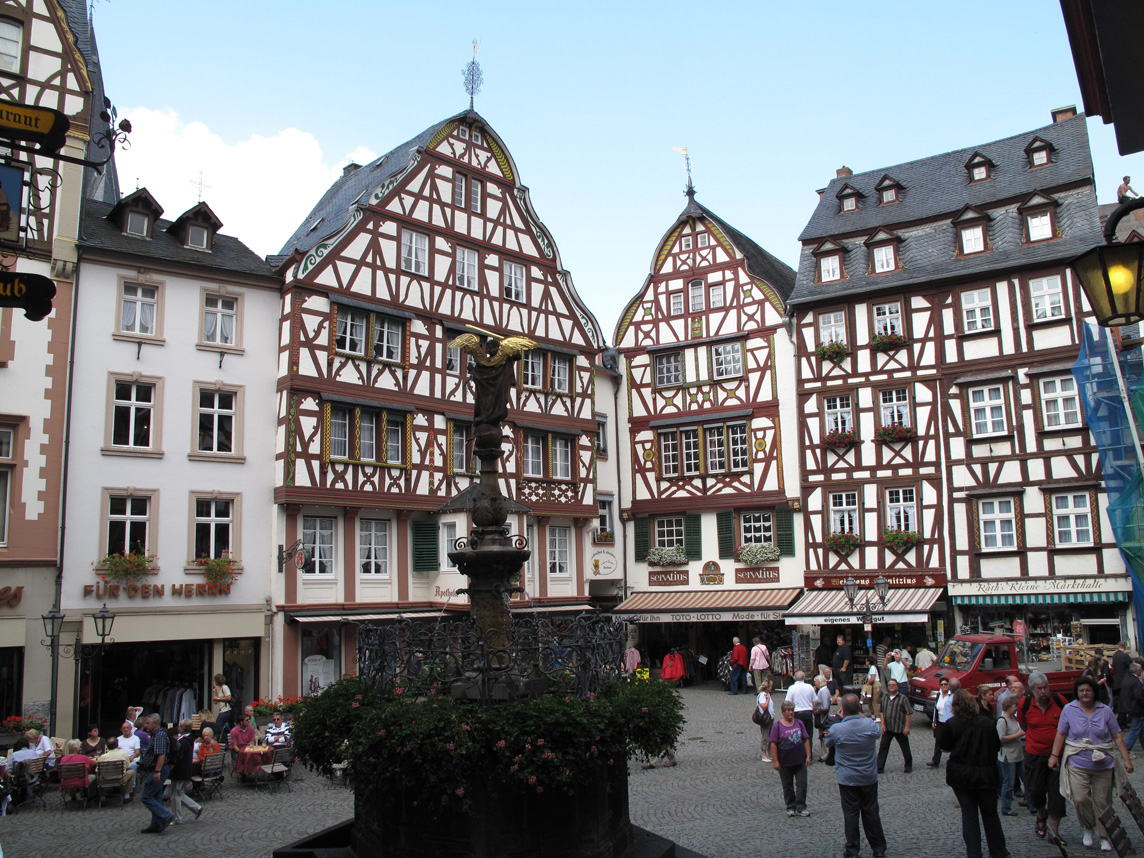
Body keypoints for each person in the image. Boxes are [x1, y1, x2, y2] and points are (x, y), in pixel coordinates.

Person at [1051, 675, 1134, 852]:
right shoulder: (1069, 709)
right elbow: (1061, 733)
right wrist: (1054, 755)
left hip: (1103, 764)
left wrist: (1126, 760)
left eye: (1088, 690)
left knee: (1103, 802)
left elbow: (1117, 736)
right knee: (1080, 798)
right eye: (1081, 691)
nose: (1085, 693)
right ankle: (1088, 826)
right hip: (1077, 762)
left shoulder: (1105, 710)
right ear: (1077, 693)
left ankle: (1104, 836)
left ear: (1094, 692)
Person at [936, 690, 1008, 858]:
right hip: (986, 773)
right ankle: (998, 851)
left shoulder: (951, 725)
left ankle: (974, 853)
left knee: (969, 815)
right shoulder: (988, 723)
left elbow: (944, 747)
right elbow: (996, 746)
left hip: (961, 775)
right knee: (990, 814)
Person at [824, 693, 888, 858]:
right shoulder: (869, 725)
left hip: (847, 778)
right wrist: (860, 715)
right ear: (859, 708)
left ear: (842, 709)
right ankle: (878, 848)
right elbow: (877, 733)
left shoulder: (837, 729)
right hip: (868, 776)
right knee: (871, 812)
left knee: (851, 814)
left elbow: (828, 741)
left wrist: (840, 719)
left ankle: (852, 849)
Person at [1018, 671, 1068, 845]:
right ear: (1032, 689)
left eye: (1046, 687)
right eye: (1039, 688)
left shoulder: (1059, 701)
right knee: (1035, 790)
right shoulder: (1025, 704)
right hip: (1034, 754)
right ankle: (1041, 814)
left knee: (1057, 794)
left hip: (1057, 755)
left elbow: (1068, 723)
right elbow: (1023, 724)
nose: (1044, 691)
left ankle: (1054, 833)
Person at [770, 700, 813, 817]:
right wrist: (776, 761)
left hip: (799, 760)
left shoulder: (799, 723)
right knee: (787, 786)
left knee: (802, 784)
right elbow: (773, 744)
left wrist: (808, 756)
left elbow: (805, 739)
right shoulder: (777, 726)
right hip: (785, 762)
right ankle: (790, 806)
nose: (791, 712)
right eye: (788, 710)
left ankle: (801, 806)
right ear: (783, 712)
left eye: (792, 710)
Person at [138, 713, 174, 833]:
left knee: (146, 797)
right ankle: (156, 824)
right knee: (156, 796)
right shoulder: (156, 735)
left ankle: (165, 815)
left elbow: (161, 755)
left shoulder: (159, 735)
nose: (145, 725)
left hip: (158, 769)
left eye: (148, 723)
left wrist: (157, 771)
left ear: (155, 723)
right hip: (157, 769)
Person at [169, 718, 203, 824]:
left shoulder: (183, 742)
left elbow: (178, 757)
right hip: (184, 770)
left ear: (182, 729)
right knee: (175, 793)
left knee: (176, 794)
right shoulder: (189, 740)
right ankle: (195, 808)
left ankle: (178, 818)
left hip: (180, 771)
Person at [996, 695, 1025, 817]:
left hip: (1018, 754)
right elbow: (1001, 738)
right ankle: (1006, 807)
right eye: (1015, 706)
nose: (1016, 708)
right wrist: (1017, 735)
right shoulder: (1002, 720)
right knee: (1009, 783)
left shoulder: (1014, 718)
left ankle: (1032, 804)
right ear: (1008, 706)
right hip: (1008, 756)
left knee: (1026, 779)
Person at [876, 678, 913, 773]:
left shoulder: (903, 698)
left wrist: (907, 727)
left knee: (905, 747)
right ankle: (879, 767)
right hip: (888, 728)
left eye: (893, 685)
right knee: (883, 747)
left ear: (897, 687)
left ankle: (908, 765)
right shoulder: (884, 697)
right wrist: (882, 724)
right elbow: (882, 712)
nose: (891, 686)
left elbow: (908, 713)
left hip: (899, 728)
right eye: (889, 685)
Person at [928, 677, 956, 767]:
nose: (943, 686)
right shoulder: (939, 695)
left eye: (945, 684)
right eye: (941, 684)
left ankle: (955, 759)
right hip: (940, 721)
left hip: (950, 722)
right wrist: (934, 721)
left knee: (953, 740)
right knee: (938, 741)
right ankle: (935, 761)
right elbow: (935, 709)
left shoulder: (952, 696)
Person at [786, 670, 817, 740]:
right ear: (804, 678)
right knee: (809, 734)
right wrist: (813, 710)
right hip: (808, 712)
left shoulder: (791, 688)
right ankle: (809, 746)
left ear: (794, 678)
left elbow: (788, 702)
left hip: (797, 712)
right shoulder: (809, 687)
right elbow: (815, 701)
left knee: (797, 734)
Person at [1122, 663, 1144, 752]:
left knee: (1140, 729)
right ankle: (1126, 749)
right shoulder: (1136, 682)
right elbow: (1139, 697)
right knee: (1135, 730)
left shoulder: (1127, 679)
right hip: (1137, 709)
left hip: (1130, 706)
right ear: (1138, 670)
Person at [814, 674, 834, 760]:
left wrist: (817, 711)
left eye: (815, 681)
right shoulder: (824, 690)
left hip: (822, 717)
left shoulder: (823, 691)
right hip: (823, 717)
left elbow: (825, 706)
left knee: (822, 735)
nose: (814, 683)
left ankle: (826, 754)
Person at [1112, 639, 1133, 721]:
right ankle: (1123, 721)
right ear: (1125, 647)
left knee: (1121, 701)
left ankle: (1122, 720)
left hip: (1117, 681)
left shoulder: (1115, 655)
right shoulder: (1125, 656)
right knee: (1126, 701)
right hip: (1125, 681)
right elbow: (1131, 667)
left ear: (1118, 646)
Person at [755, 680, 774, 762]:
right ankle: (764, 755)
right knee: (765, 736)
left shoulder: (767, 694)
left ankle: (769, 753)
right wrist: (768, 699)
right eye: (770, 686)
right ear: (767, 687)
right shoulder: (763, 696)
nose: (771, 688)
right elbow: (764, 707)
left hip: (770, 718)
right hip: (765, 719)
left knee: (770, 736)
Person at [212, 673, 232, 743]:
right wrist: (215, 692)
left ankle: (217, 740)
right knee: (225, 726)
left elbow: (228, 697)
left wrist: (217, 698)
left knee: (218, 725)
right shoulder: (221, 689)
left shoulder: (225, 687)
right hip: (223, 710)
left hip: (225, 710)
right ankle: (227, 740)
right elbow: (219, 698)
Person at [861, 655, 882, 721]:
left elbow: (872, 678)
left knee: (874, 701)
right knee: (870, 701)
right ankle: (872, 714)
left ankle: (878, 716)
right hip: (872, 685)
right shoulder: (871, 669)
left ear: (868, 662)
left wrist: (867, 684)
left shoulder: (872, 668)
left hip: (876, 684)